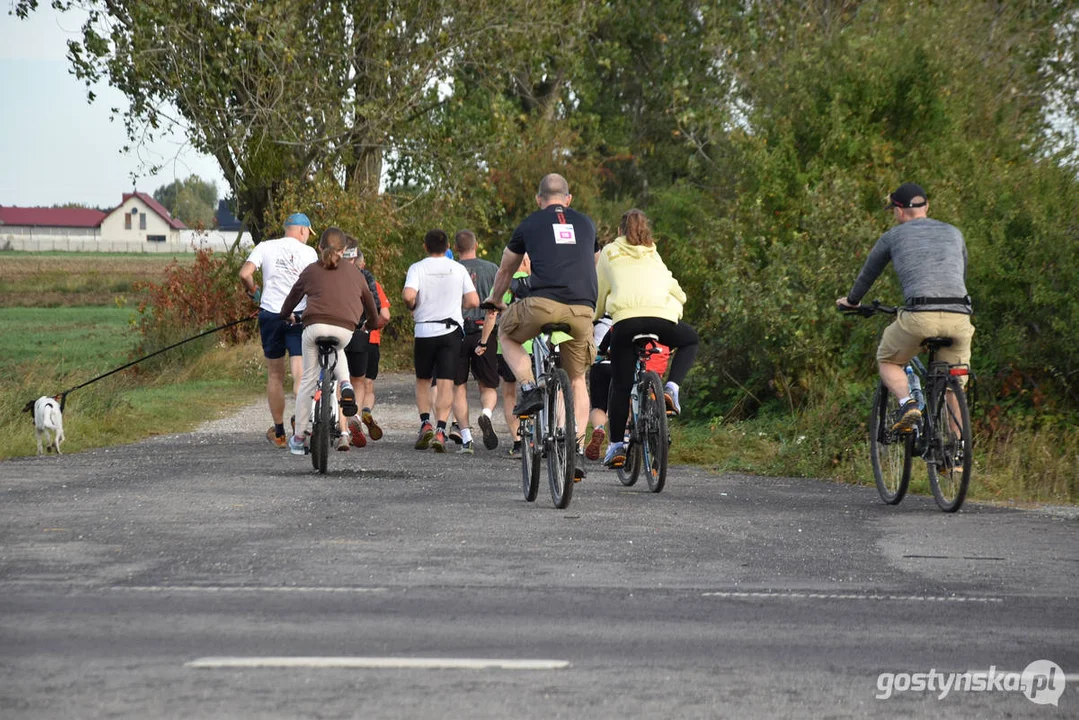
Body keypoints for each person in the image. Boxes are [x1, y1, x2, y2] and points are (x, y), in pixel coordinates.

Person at [485, 173, 599, 481]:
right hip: (583, 307)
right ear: (568, 199)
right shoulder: (587, 224)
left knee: (506, 333)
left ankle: (527, 386)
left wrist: (495, 300)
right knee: (577, 380)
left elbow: (507, 267)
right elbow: (595, 261)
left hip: (540, 304)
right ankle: (574, 448)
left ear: (539, 200)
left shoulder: (529, 224)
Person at [836, 182, 974, 433]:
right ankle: (958, 453)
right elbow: (960, 273)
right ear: (927, 206)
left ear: (899, 212)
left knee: (887, 359)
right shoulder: (954, 232)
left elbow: (868, 274)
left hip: (920, 316)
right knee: (955, 383)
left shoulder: (893, 236)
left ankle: (907, 403)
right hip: (960, 316)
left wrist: (853, 301)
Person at [595, 209, 699, 468]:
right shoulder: (653, 253)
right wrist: (674, 305)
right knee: (690, 339)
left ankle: (617, 446)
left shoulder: (609, 252)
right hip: (661, 318)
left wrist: (595, 316)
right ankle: (671, 389)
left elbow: (599, 293)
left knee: (620, 385)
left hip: (626, 322)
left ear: (620, 231)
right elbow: (678, 291)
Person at [279, 227, 379, 455]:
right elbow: (372, 308)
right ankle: (345, 384)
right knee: (340, 347)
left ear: (319, 248)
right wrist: (370, 325)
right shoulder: (357, 274)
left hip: (313, 327)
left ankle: (298, 436)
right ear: (344, 251)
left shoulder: (310, 270)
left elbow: (291, 301)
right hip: (345, 329)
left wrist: (286, 316)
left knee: (307, 381)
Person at [238, 212, 318, 448]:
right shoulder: (310, 253)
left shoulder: (265, 246)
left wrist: (255, 292)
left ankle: (280, 432)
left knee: (274, 375)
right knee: (300, 372)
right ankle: (301, 423)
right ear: (303, 231)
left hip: (271, 313)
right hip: (297, 314)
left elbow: (245, 274)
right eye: (308, 234)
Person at [403, 229, 479, 452]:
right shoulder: (458, 268)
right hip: (450, 331)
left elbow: (408, 295)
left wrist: (413, 306)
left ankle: (425, 423)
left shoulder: (417, 268)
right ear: (448, 248)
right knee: (446, 383)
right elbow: (474, 300)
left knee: (424, 380)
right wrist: (459, 307)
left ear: (425, 247)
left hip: (425, 329)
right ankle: (440, 429)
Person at [450, 229, 501, 454]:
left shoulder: (451, 270)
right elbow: (499, 302)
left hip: (457, 332)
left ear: (455, 249)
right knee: (487, 384)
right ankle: (486, 414)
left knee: (457, 386)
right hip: (485, 331)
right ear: (476, 245)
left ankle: (466, 437)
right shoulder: (492, 269)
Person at [479, 253, 532, 456]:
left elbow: (491, 315)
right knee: (537, 390)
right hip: (534, 346)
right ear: (527, 263)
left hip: (509, 347)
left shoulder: (504, 284)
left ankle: (518, 442)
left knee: (510, 393)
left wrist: (483, 342)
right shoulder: (537, 283)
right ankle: (542, 436)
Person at [338, 240, 385, 450]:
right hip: (358, 333)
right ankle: (355, 415)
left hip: (332, 330)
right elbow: (377, 307)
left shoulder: (327, 271)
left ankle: (343, 432)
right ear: (357, 258)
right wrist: (368, 325)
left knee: (338, 381)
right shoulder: (364, 276)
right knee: (358, 381)